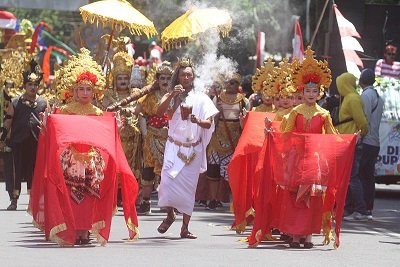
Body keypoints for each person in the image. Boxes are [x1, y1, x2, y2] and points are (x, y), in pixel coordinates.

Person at [29, 48, 139, 246]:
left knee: (89, 197)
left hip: (91, 161)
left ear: (94, 91)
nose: (85, 93)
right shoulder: (64, 111)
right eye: (81, 89)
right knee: (72, 197)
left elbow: (104, 136)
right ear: (73, 90)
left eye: (88, 89)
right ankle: (74, 229)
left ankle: (85, 230)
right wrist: (46, 128)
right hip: (70, 159)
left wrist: (117, 130)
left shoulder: (99, 113)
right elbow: (57, 136)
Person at [265, 47, 337, 248]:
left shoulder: (324, 114)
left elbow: (333, 137)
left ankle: (308, 236)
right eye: (308, 91)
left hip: (315, 160)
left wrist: (350, 140)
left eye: (315, 91)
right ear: (302, 91)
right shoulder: (295, 112)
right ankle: (295, 235)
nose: (311, 94)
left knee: (313, 196)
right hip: (296, 159)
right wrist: (271, 134)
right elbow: (285, 133)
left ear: (319, 92)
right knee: (293, 196)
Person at [156, 57, 218, 239]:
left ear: (193, 77)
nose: (186, 78)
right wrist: (172, 95)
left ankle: (185, 227)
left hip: (193, 149)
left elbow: (209, 123)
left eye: (189, 75)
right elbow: (160, 113)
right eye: (183, 75)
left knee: (189, 189)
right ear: (178, 77)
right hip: (174, 146)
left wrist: (198, 121)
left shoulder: (201, 97)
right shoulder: (172, 94)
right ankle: (169, 214)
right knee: (166, 183)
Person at [2, 58, 47, 210]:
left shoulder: (43, 103)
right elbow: (7, 122)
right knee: (16, 171)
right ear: (24, 86)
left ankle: (33, 201)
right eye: (30, 84)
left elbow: (49, 123)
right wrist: (2, 139)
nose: (33, 87)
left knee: (35, 172)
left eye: (35, 85)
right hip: (17, 142)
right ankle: (14, 200)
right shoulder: (15, 102)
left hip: (37, 143)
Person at [102, 50, 142, 205]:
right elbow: (104, 112)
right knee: (115, 168)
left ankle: (130, 196)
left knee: (132, 169)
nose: (123, 81)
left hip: (133, 138)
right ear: (115, 80)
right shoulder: (108, 95)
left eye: (126, 78)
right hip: (116, 138)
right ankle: (114, 195)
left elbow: (141, 111)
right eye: (120, 78)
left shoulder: (136, 94)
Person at [205, 73, 249, 210]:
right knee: (213, 170)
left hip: (235, 138)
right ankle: (212, 199)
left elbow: (246, 122)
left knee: (233, 171)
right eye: (228, 82)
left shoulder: (244, 101)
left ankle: (233, 200)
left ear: (238, 85)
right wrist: (217, 109)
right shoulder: (217, 98)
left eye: (233, 82)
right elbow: (212, 119)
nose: (230, 85)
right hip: (217, 137)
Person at [134, 61, 173, 215]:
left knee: (168, 171)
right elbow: (138, 112)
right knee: (148, 170)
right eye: (162, 78)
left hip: (171, 139)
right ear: (157, 79)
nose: (165, 81)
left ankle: (167, 202)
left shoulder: (176, 96)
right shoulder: (149, 96)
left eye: (168, 78)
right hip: (151, 136)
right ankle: (145, 201)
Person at [335, 72, 369, 221]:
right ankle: (349, 208)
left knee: (352, 176)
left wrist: (360, 135)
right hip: (346, 142)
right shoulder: (350, 97)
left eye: (340, 84)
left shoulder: (352, 99)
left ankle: (361, 210)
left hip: (352, 142)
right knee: (348, 177)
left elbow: (362, 122)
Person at [358, 68, 384, 220]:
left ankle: (361, 209)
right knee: (368, 176)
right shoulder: (378, 97)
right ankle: (368, 208)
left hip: (367, 141)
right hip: (375, 141)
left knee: (361, 175)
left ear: (361, 81)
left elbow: (364, 119)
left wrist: (360, 136)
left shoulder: (366, 95)